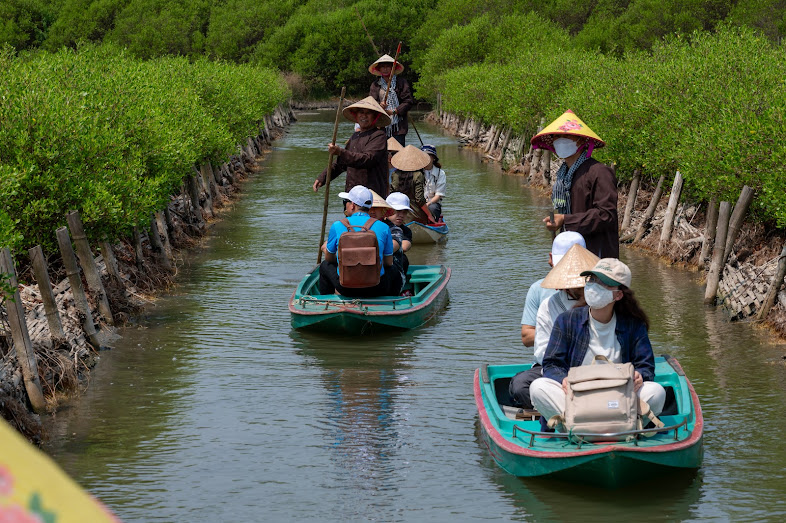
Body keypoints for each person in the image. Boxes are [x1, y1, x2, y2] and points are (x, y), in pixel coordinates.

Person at [529, 258, 666, 428]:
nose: (594, 286)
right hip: (577, 397)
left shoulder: (634, 325)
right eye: (592, 280)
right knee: (538, 387)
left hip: (618, 397)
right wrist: (563, 380)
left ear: (618, 294)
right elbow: (551, 364)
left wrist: (640, 376)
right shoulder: (566, 320)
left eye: (603, 283)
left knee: (657, 392)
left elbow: (646, 366)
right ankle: (574, 428)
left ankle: (621, 427)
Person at [509, 243, 598, 409]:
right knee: (521, 386)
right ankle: (565, 409)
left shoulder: (606, 302)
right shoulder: (549, 305)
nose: (585, 288)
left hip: (598, 368)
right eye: (579, 285)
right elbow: (544, 353)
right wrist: (564, 376)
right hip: (557, 368)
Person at [531, 110, 619, 258]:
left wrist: (565, 219)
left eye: (566, 135)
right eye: (556, 136)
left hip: (597, 256)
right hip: (570, 256)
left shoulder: (599, 172)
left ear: (581, 140)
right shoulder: (563, 176)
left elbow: (606, 215)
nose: (560, 139)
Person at [318, 185, 399, 297]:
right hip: (376, 287)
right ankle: (392, 302)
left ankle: (325, 301)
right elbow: (388, 262)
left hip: (345, 287)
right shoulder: (383, 227)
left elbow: (329, 258)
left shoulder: (337, 225)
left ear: (352, 205)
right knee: (393, 269)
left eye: (346, 201)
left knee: (324, 265)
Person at [313, 97, 390, 198]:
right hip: (352, 192)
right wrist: (323, 177)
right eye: (361, 112)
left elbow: (368, 159)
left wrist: (341, 152)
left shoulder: (379, 136)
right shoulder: (354, 136)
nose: (364, 116)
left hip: (371, 194)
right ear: (356, 116)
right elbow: (341, 164)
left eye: (368, 113)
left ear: (375, 116)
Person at [520, 231, 587, 347]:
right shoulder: (538, 290)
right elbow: (526, 337)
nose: (567, 270)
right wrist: (564, 332)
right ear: (551, 259)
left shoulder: (598, 289)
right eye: (562, 263)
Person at [369, 54, 415, 146]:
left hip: (398, 126)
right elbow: (371, 103)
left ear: (393, 68)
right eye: (383, 67)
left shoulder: (401, 82)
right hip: (381, 126)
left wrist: (394, 111)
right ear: (379, 69)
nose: (385, 69)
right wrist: (379, 105)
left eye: (388, 67)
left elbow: (408, 101)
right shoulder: (375, 85)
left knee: (398, 154)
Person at [390, 145, 432, 223]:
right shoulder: (418, 175)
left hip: (396, 214)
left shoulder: (395, 174)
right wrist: (430, 215)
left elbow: (392, 193)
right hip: (415, 215)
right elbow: (419, 200)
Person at [386, 192, 414, 294]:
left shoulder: (405, 230)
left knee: (404, 259)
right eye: (397, 211)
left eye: (404, 212)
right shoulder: (379, 225)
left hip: (394, 260)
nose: (401, 215)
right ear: (387, 210)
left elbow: (405, 246)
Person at [420, 144, 446, 222]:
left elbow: (438, 195)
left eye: (428, 156)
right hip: (418, 202)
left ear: (433, 158)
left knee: (433, 208)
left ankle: (432, 221)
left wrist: (428, 204)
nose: (426, 158)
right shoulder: (417, 171)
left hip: (432, 203)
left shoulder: (440, 173)